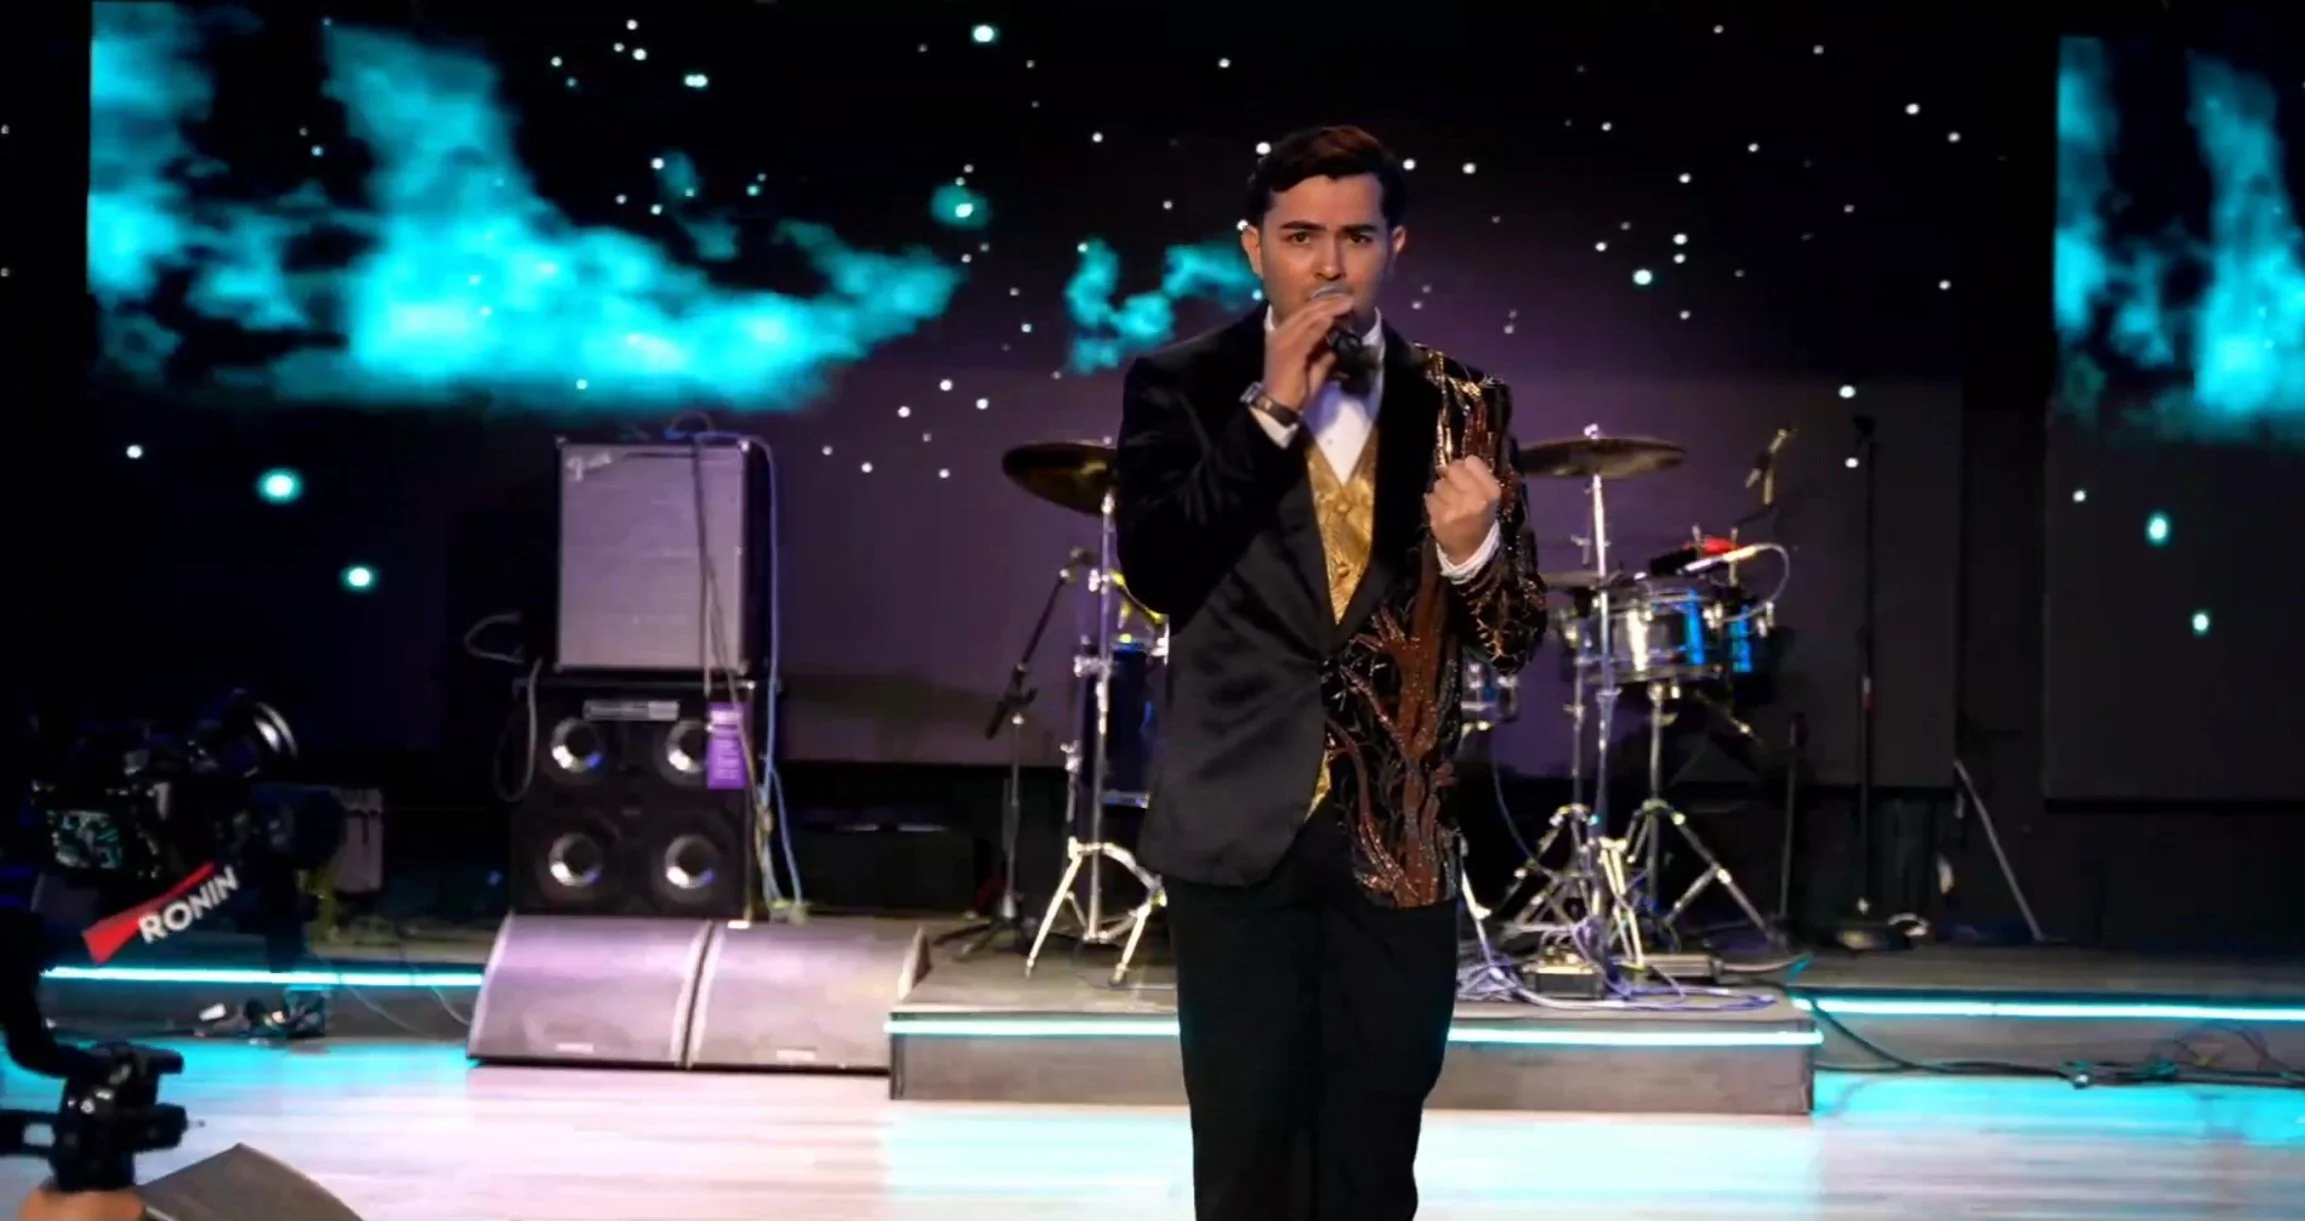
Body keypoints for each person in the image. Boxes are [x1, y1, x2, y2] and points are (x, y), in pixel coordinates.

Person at [1112, 126, 1550, 1221]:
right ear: (1253, 246)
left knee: (1373, 1153)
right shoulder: (1179, 385)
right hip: (1235, 812)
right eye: (1300, 237)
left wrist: (1473, 553)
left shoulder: (1463, 400)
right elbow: (1157, 573)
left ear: (1393, 247)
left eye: (1355, 237)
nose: (1328, 264)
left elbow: (1513, 635)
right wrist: (1267, 413)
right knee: (1245, 1146)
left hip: (1395, 829)